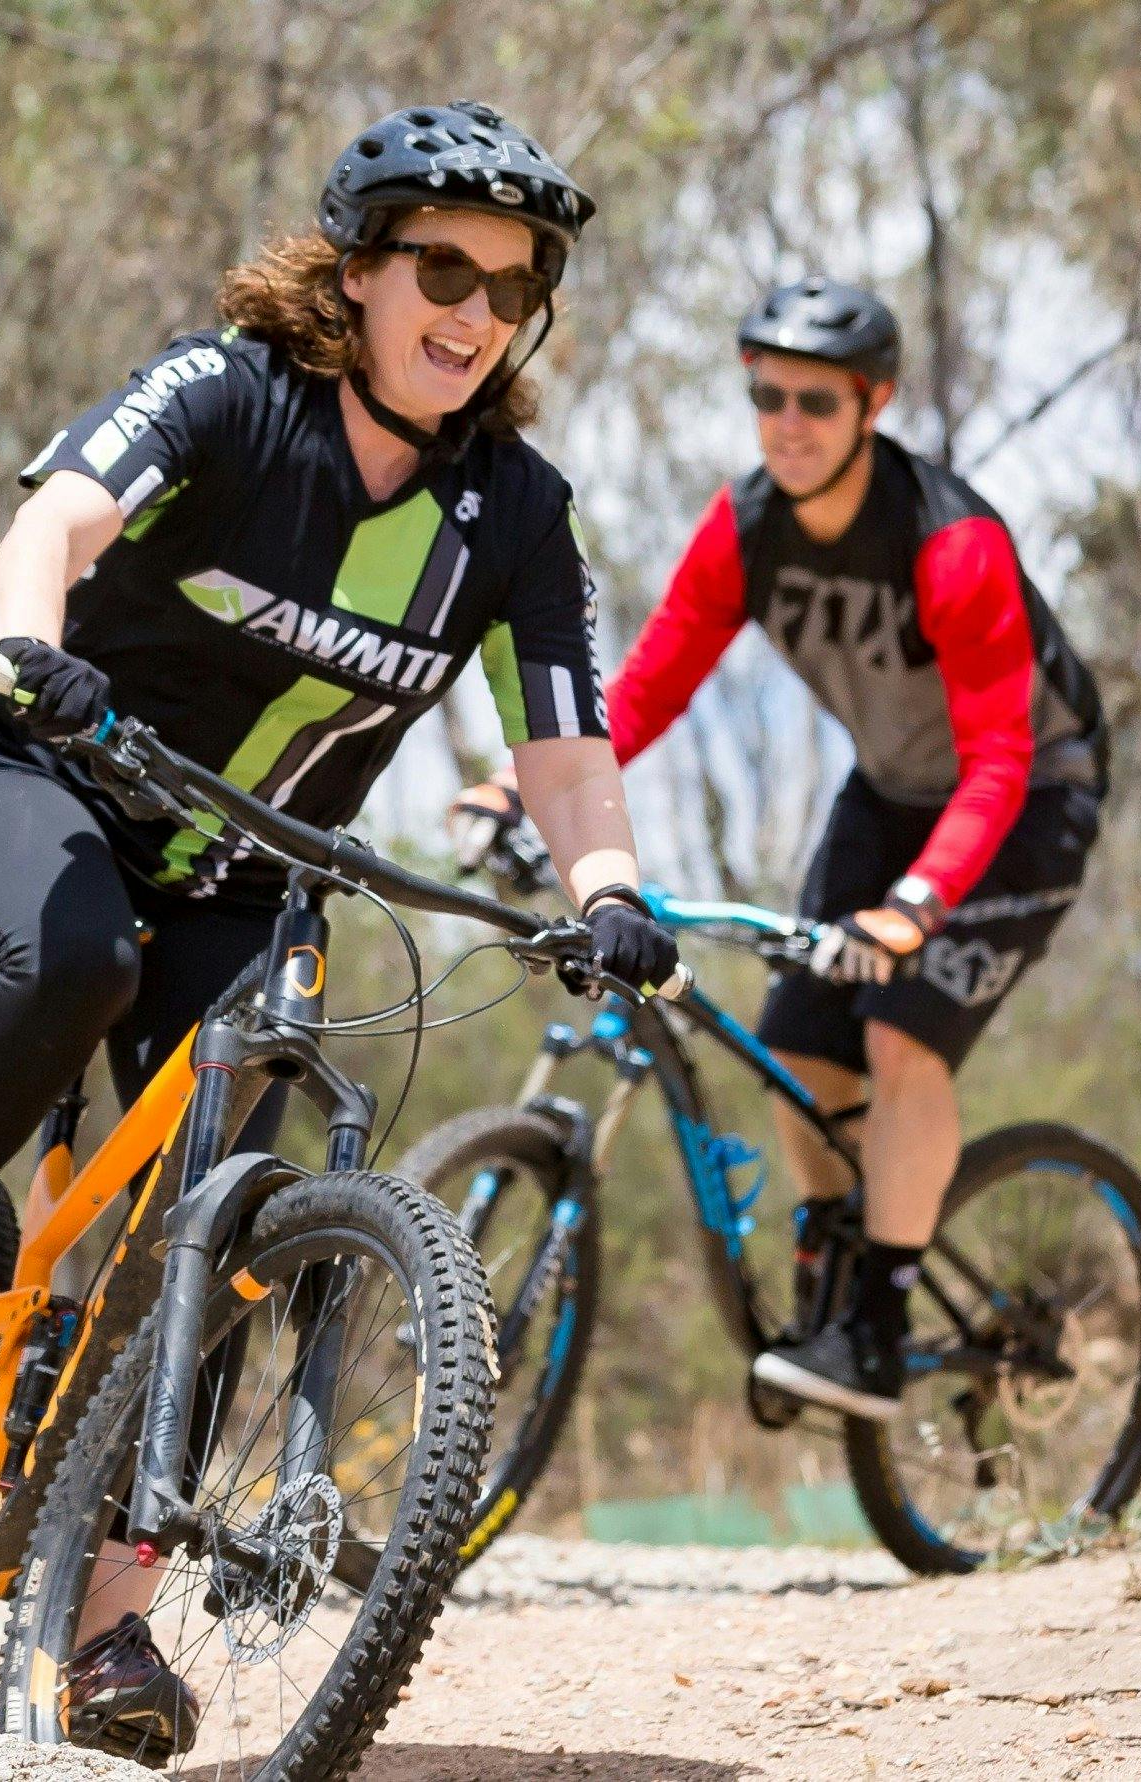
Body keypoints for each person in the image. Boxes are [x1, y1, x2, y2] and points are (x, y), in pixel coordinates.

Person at [0, 98, 677, 1743]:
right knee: (79, 962)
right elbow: (56, 524)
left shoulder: (515, 518)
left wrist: (606, 891)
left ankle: (109, 1626)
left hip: (244, 863)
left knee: (226, 1170)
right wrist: (32, 650)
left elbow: (565, 746)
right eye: (442, 268)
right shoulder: (227, 395)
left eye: (512, 286)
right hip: (36, 777)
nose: (474, 311)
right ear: (358, 270)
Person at [456, 276, 1105, 1421]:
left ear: (876, 404)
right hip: (893, 793)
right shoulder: (746, 526)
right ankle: (831, 1261)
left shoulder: (949, 543)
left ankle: (882, 1318)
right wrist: (519, 785)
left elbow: (1000, 758)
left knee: (901, 1041)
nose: (788, 422)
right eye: (767, 395)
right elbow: (648, 690)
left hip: (1028, 799)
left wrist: (910, 909)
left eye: (816, 399)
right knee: (796, 1050)